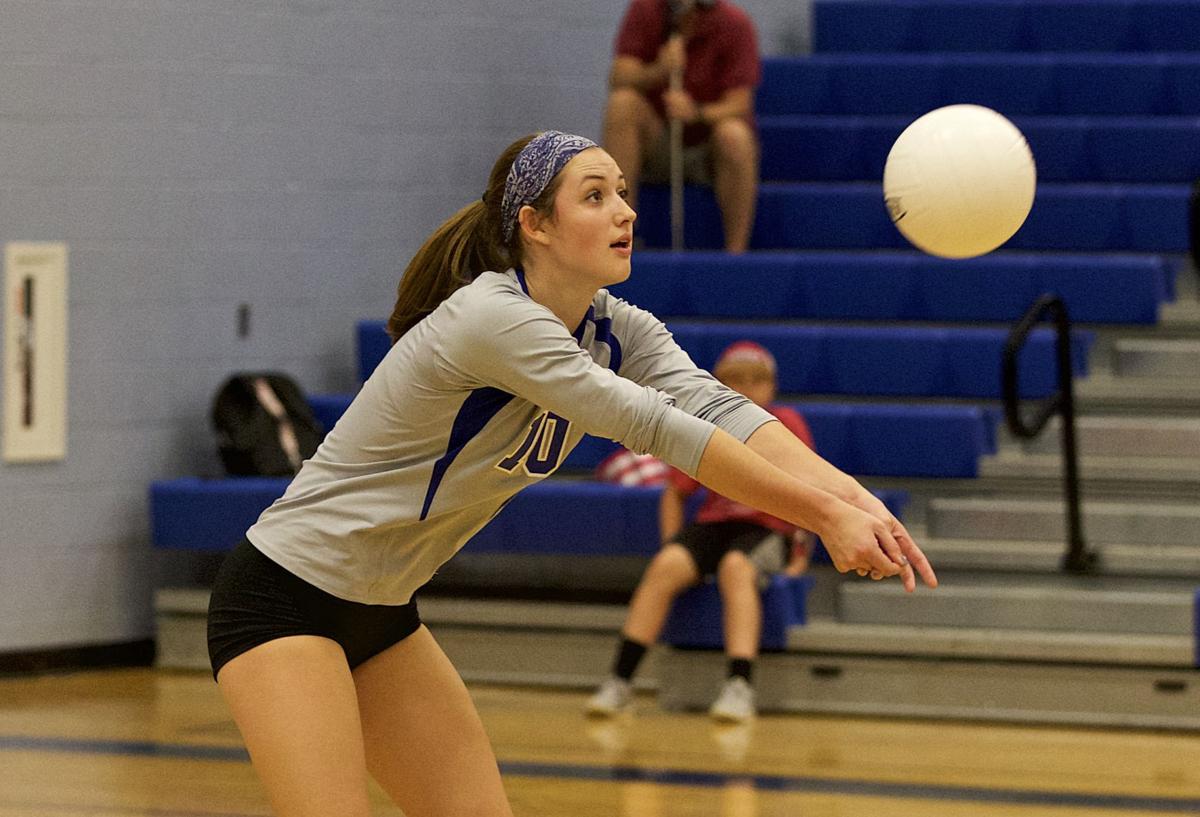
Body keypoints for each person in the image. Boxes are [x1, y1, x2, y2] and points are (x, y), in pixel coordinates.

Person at [206, 130, 937, 817]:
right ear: (535, 224)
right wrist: (821, 515)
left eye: (622, 191)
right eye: (594, 196)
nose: (623, 210)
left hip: (381, 609)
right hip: (283, 597)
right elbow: (660, 428)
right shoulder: (492, 318)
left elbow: (721, 408)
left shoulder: (619, 328)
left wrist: (853, 496)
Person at [587, 340, 816, 723]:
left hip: (766, 528)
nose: (746, 389)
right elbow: (675, 493)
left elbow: (812, 489)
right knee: (666, 565)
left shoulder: (786, 424)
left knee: (736, 569)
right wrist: (672, 542)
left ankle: (739, 686)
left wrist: (800, 556)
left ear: (771, 386)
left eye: (755, 381)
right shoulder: (709, 426)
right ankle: (620, 681)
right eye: (734, 381)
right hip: (715, 525)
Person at [603, 0, 761, 253]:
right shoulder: (645, 10)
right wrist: (659, 70)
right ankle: (621, 237)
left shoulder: (734, 22)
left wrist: (696, 112)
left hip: (708, 144)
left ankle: (735, 253)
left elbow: (739, 104)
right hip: (659, 140)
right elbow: (620, 77)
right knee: (622, 104)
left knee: (735, 135)